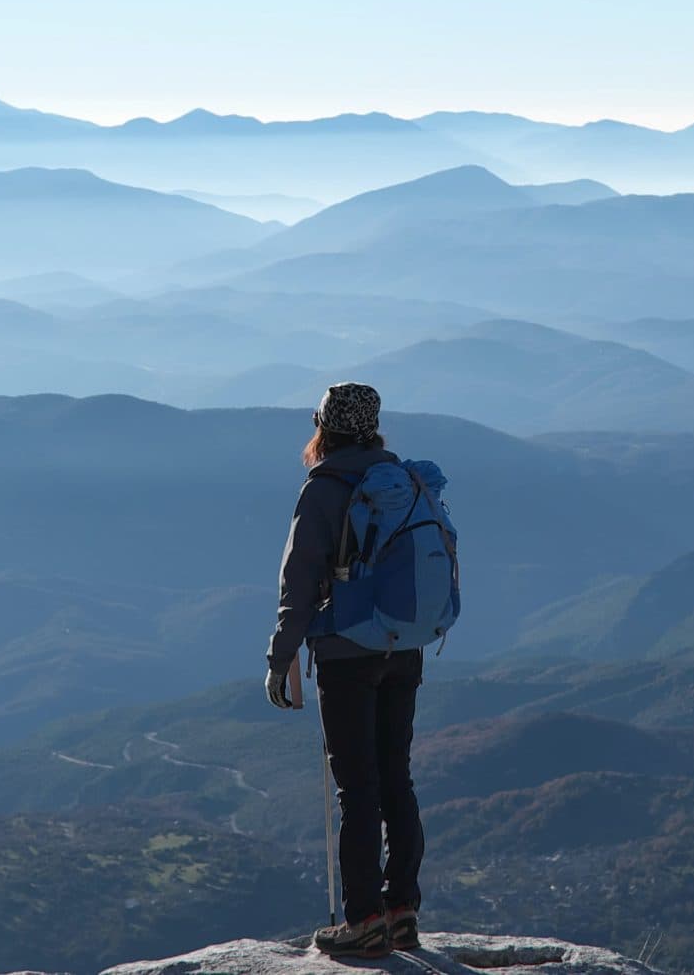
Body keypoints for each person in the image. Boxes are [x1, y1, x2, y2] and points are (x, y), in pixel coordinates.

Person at [266, 381, 426, 958]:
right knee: (396, 777)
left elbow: (299, 582)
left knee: (358, 790)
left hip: (345, 656)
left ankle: (362, 921)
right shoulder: (401, 480)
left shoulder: (325, 488)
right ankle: (403, 909)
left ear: (323, 428)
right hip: (402, 648)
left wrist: (281, 658)